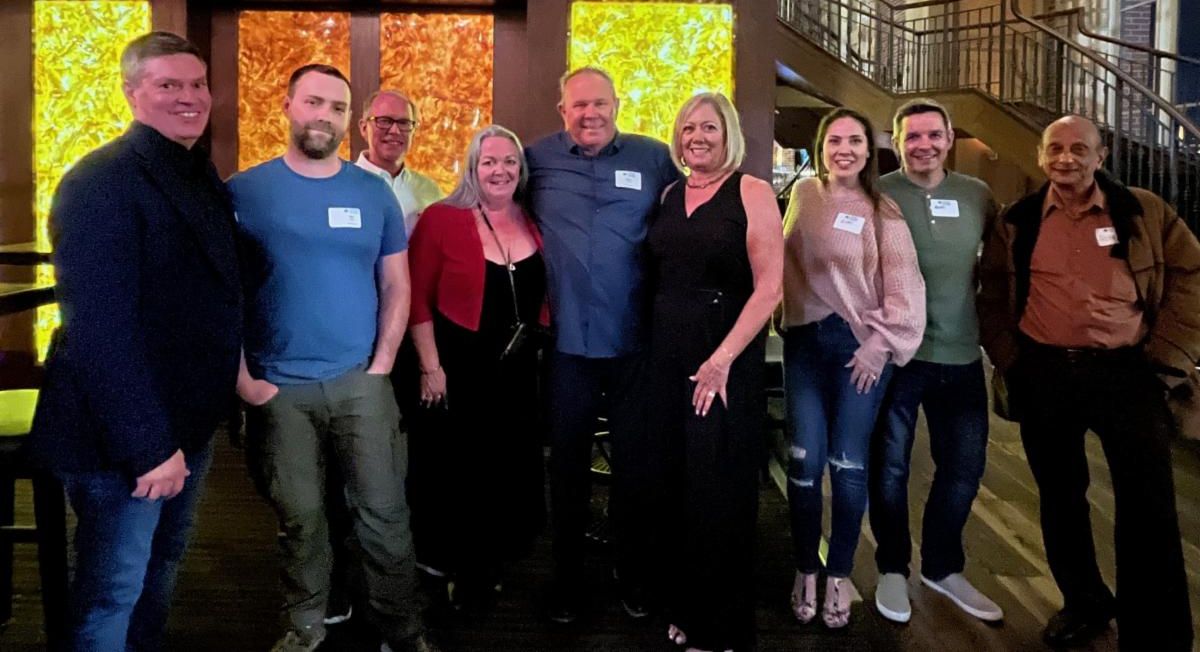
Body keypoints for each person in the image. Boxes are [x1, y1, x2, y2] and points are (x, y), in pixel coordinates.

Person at [27, 31, 241, 651]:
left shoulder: (196, 172)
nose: (189, 97)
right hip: (124, 439)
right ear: (131, 92)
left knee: (156, 576)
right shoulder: (100, 182)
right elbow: (100, 331)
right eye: (168, 85)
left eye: (197, 84)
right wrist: (148, 447)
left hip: (185, 424)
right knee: (110, 593)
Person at [228, 64, 436, 652]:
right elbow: (221, 294)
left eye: (338, 107)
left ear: (350, 120)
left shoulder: (371, 194)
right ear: (288, 105)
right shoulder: (244, 192)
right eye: (314, 102)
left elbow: (396, 283)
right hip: (278, 388)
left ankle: (403, 629)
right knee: (301, 519)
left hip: (360, 383)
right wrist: (244, 381)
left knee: (385, 515)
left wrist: (383, 363)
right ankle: (306, 626)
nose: (325, 116)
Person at [978, 114, 1198, 650]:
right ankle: (1084, 603)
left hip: (1129, 374)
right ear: (1041, 156)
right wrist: (1009, 357)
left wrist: (1167, 357)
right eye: (1055, 148)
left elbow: (1192, 277)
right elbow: (992, 289)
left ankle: (1156, 632)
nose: (1066, 158)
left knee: (1148, 504)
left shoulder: (1143, 211)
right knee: (1060, 497)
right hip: (1044, 373)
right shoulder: (1018, 219)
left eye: (1079, 149)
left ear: (1101, 157)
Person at [525, 66, 679, 623]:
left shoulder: (654, 158)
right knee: (565, 467)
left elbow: (688, 220)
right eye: (579, 105)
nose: (589, 114)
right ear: (562, 110)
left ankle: (631, 571)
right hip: (566, 345)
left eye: (599, 103)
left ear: (617, 104)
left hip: (635, 343)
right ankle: (567, 579)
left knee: (636, 466)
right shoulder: (535, 160)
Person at [645, 93, 783, 652]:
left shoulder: (751, 191)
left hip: (722, 358)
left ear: (728, 134)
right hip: (666, 357)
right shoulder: (669, 194)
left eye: (708, 128)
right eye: (688, 128)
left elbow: (769, 287)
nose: (696, 137)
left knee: (717, 489)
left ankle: (720, 626)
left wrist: (722, 360)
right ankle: (685, 605)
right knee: (675, 485)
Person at [780, 107, 925, 629]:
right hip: (804, 344)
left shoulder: (883, 210)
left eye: (855, 141)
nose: (844, 149)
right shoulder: (805, 195)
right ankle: (806, 568)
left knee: (847, 464)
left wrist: (879, 345)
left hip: (860, 349)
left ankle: (839, 572)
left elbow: (906, 289)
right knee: (803, 461)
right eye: (834, 141)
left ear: (869, 151)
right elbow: (784, 263)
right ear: (821, 148)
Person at [868, 98, 1003, 624]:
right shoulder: (878, 192)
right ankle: (891, 566)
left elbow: (1002, 266)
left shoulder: (977, 195)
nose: (923, 145)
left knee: (964, 468)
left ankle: (943, 567)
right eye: (912, 136)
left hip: (962, 354)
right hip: (898, 356)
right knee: (889, 468)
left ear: (949, 139)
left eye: (933, 135)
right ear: (897, 141)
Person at [406, 124, 547, 607]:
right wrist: (430, 367)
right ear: (472, 168)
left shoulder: (532, 219)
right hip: (460, 365)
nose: (499, 170)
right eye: (489, 161)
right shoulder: (442, 219)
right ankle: (458, 568)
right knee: (461, 469)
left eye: (509, 161)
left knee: (506, 466)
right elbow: (416, 299)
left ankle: (492, 557)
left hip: (518, 369)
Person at [355, 89, 444, 236]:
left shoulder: (430, 192)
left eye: (404, 123)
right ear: (364, 128)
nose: (395, 131)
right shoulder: (342, 186)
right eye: (384, 121)